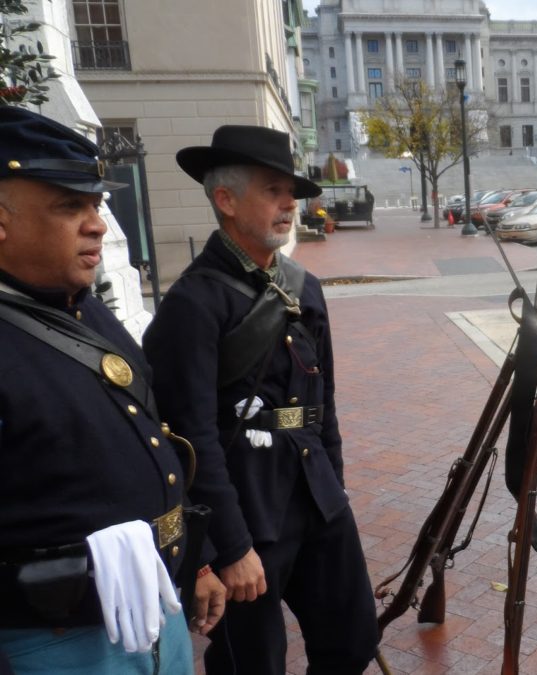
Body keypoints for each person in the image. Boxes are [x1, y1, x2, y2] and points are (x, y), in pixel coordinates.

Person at [142, 125, 379, 674]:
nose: (289, 203)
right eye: (273, 190)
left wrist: (335, 489)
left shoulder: (304, 287)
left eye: (290, 192)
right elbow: (190, 435)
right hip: (246, 511)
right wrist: (227, 545)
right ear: (225, 200)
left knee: (352, 640)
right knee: (253, 664)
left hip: (315, 496)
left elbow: (325, 405)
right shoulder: (194, 304)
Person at [0, 107, 224, 673]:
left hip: (151, 604)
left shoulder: (83, 308)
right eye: (69, 206)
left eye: (95, 204)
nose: (97, 223)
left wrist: (195, 562)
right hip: (51, 640)